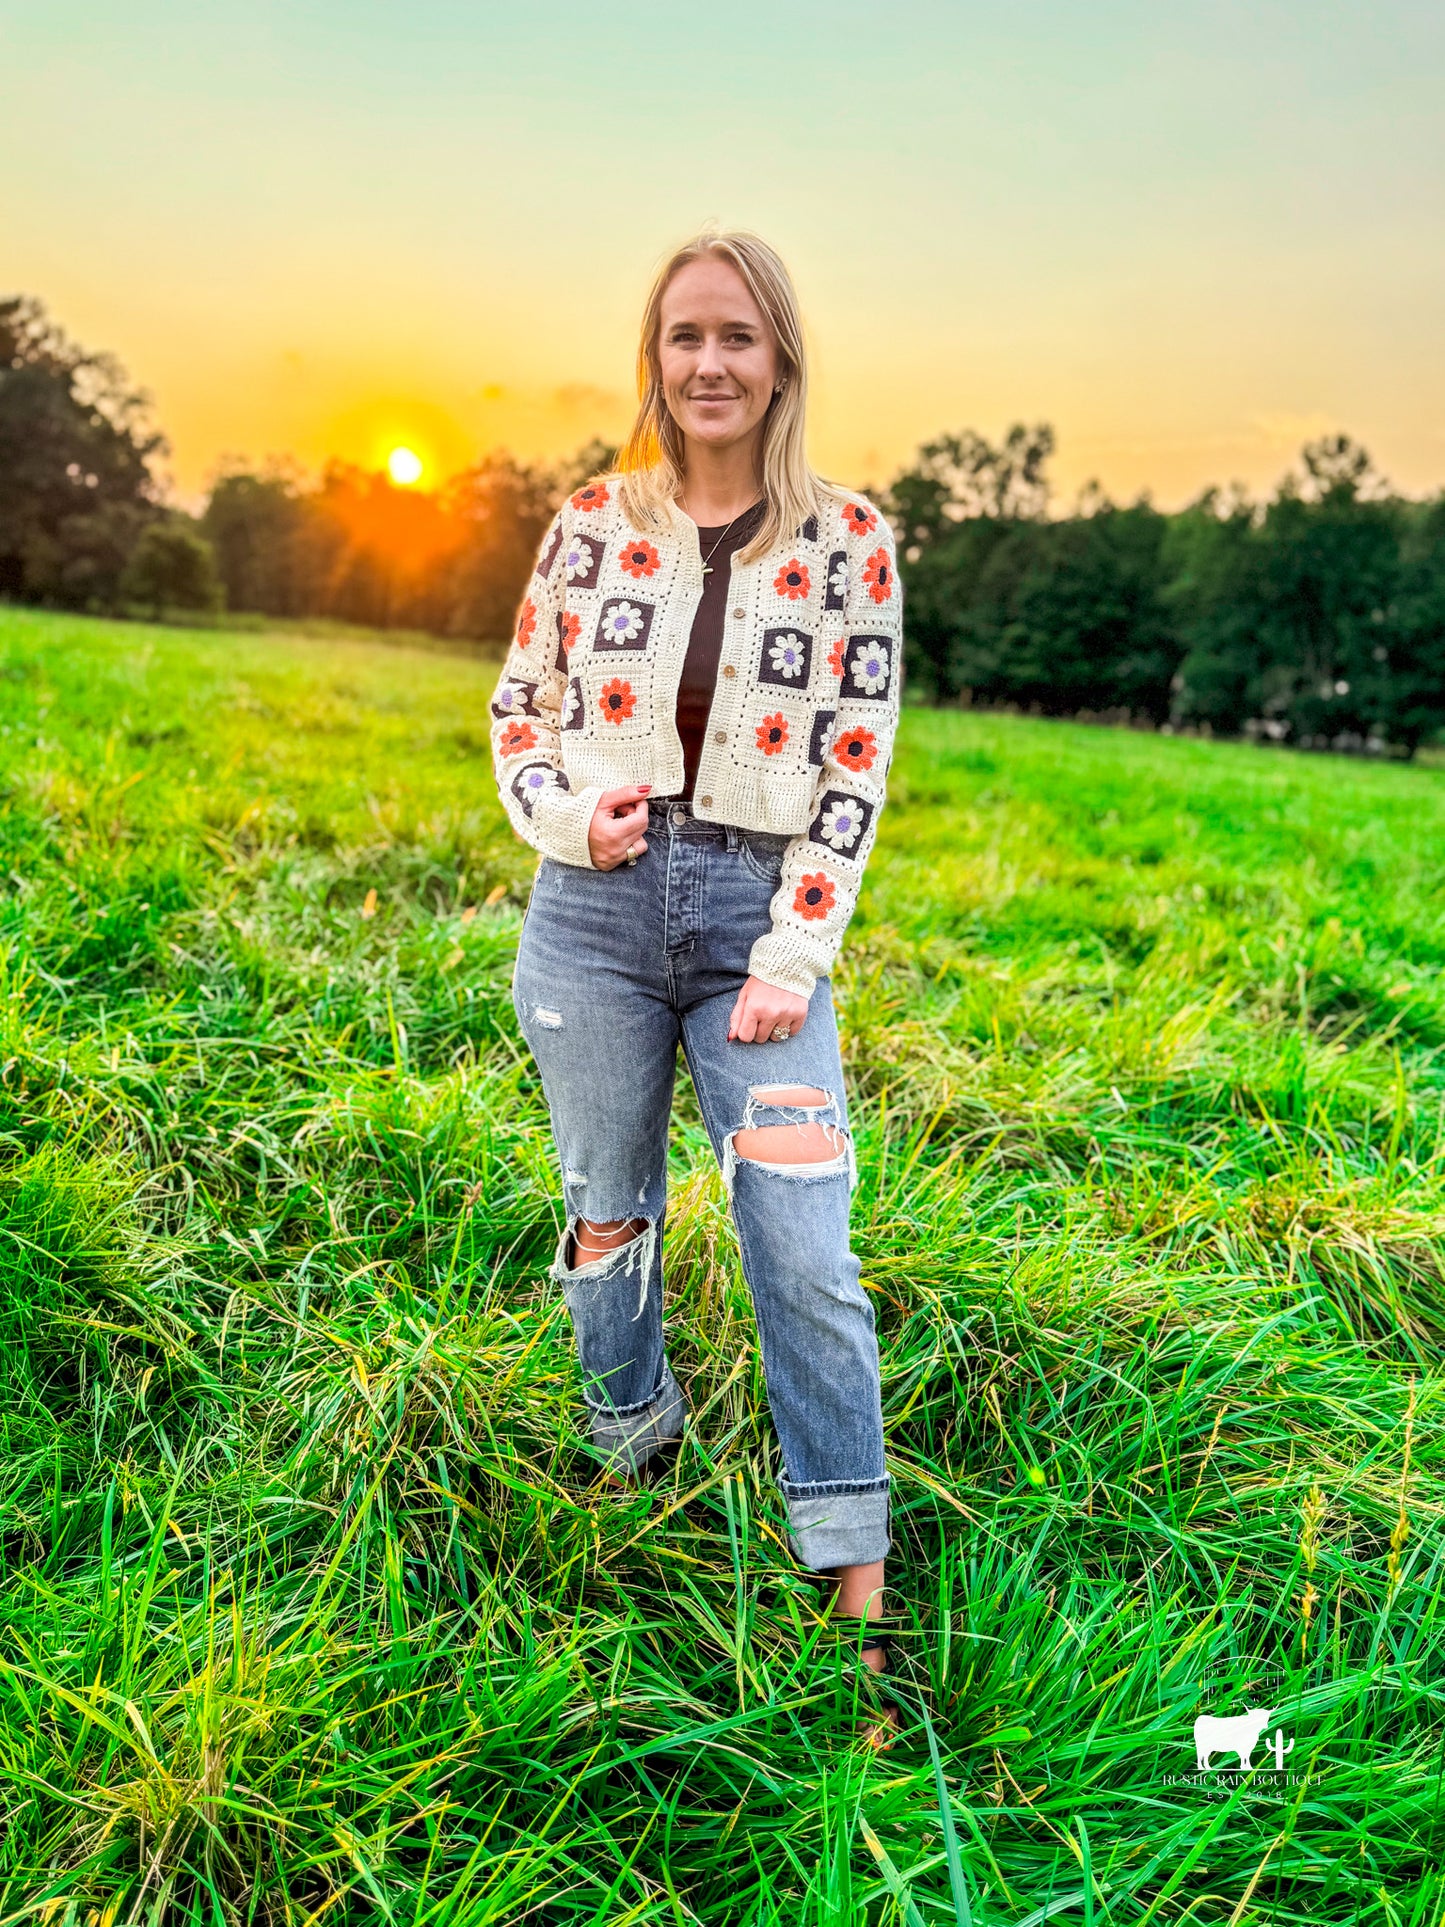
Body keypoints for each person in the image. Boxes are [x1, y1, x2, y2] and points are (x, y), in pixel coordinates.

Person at [490, 229, 903, 1682]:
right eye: (683, 338)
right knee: (607, 1215)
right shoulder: (592, 521)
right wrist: (557, 809)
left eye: (737, 336)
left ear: (780, 356)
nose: (709, 363)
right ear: (652, 360)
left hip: (755, 933)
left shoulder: (848, 538)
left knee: (802, 1246)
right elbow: (518, 704)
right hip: (589, 917)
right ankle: (629, 1460)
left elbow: (851, 771)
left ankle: (853, 1588)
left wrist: (796, 950)